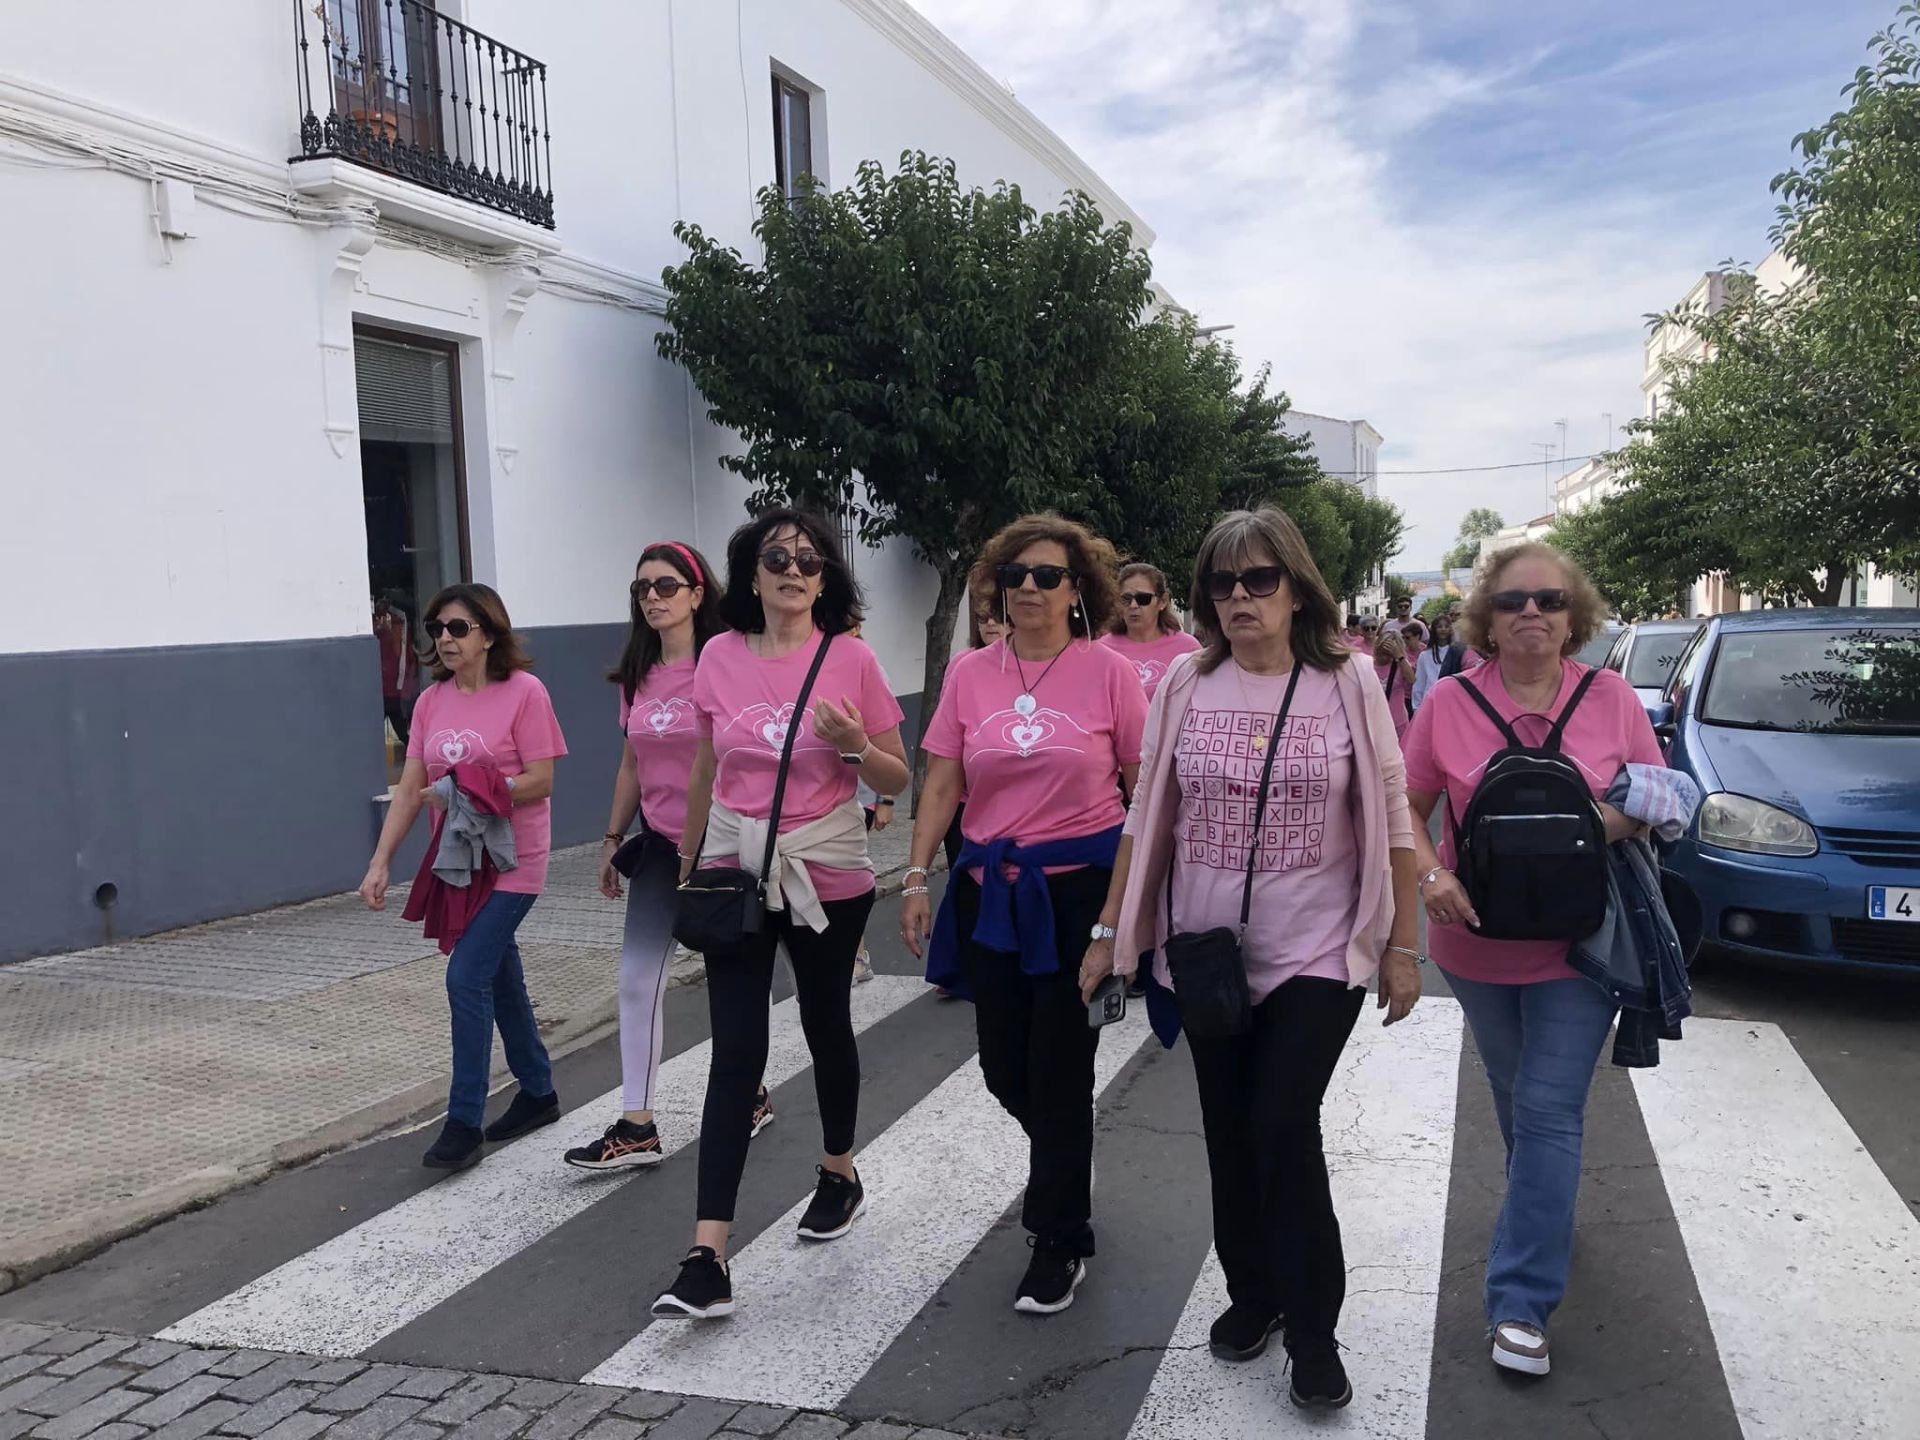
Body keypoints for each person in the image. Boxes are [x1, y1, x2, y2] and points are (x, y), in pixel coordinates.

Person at [1084, 507, 1422, 1411]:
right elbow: (1145, 815)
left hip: (1316, 949)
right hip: (1206, 950)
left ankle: (1313, 1332)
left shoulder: (1346, 681)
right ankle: (1253, 1296)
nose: (1239, 598)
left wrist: (1403, 946)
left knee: (1281, 1125)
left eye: (1258, 580)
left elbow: (1393, 818)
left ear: (1297, 588)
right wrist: (1113, 930)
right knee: (1230, 1134)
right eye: (1222, 584)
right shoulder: (1185, 687)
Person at [1402, 541, 1664, 1378]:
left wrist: (1589, 823)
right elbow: (1407, 806)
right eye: (1514, 601)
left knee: (1552, 1108)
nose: (1532, 615)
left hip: (1581, 942)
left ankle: (1519, 1302)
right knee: (1513, 1093)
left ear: (1572, 615)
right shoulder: (1446, 702)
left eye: (1549, 601)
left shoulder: (1613, 696)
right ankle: (1541, 1205)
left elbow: (1657, 797)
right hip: (1472, 938)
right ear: (1487, 616)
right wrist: (1432, 876)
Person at [650, 509, 910, 1321]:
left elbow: (898, 778)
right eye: (775, 558)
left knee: (826, 1024)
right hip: (735, 870)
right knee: (737, 1052)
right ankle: (707, 1255)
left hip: (826, 872)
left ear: (824, 579)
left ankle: (839, 1170)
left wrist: (854, 746)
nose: (791, 570)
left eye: (807, 560)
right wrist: (688, 866)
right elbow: (704, 767)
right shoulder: (720, 657)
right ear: (751, 573)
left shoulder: (853, 659)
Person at [902, 513, 1146, 1316]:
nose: (1029, 590)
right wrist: (912, 878)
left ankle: (1057, 1235)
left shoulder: (1109, 673)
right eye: (1016, 577)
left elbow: (1143, 790)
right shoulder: (971, 673)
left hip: (1078, 893)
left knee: (1061, 1066)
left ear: (1079, 590)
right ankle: (1065, 1177)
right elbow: (942, 782)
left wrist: (1132, 908)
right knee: (1005, 1064)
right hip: (991, 890)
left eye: (1047, 576)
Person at [562, 542, 778, 1170]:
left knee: (734, 979)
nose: (652, 598)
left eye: (664, 585)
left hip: (723, 845)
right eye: (642, 589)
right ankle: (638, 1126)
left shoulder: (727, 662)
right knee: (636, 980)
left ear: (695, 592)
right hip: (659, 845)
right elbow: (632, 761)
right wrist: (610, 840)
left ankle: (751, 1092)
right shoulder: (638, 675)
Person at [358, 584, 568, 1171]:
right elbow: (409, 789)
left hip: (514, 861)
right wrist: (380, 862)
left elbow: (541, 781)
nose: (445, 640)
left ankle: (463, 1121)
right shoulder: (430, 703)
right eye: (438, 630)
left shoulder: (525, 693)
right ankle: (538, 1092)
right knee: (499, 978)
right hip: (458, 865)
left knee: (465, 977)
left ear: (488, 633)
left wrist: (465, 789)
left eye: (458, 628)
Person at [1103, 561, 1201, 701]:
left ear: (1162, 602)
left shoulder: (1188, 648)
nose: (1133, 605)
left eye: (1143, 599)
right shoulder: (1103, 649)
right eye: (1126, 599)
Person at [1373, 628, 1415, 740]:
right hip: (1374, 722)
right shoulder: (1368, 664)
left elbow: (1411, 680)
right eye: (1382, 652)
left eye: (1388, 654)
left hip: (1397, 722)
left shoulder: (1400, 665)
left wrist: (1399, 656)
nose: (1385, 657)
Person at [1411, 613, 1456, 711]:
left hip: (1451, 701)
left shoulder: (1457, 652)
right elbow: (1419, 682)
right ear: (1434, 629)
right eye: (1439, 626)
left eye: (1446, 626)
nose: (1443, 629)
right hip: (1429, 701)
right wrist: (1416, 707)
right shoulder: (1425, 655)